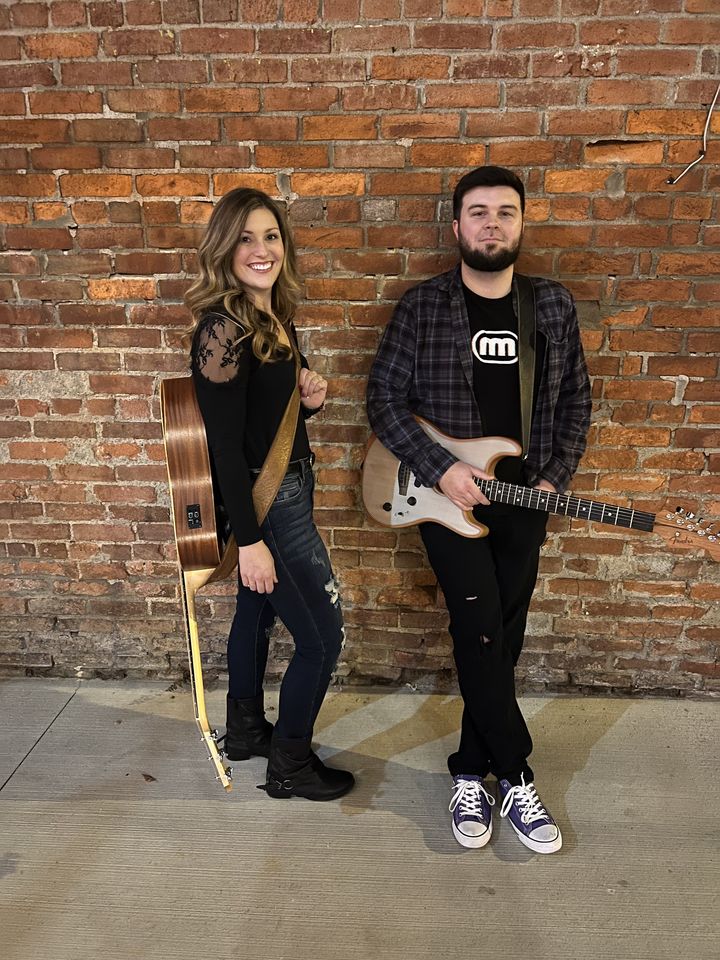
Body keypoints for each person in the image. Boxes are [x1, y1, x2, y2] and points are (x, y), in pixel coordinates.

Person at [366, 166, 591, 853]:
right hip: (445, 501)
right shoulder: (423, 305)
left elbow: (578, 399)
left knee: (504, 634)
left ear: (521, 224)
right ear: (456, 226)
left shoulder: (550, 305)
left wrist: (555, 477)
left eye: (505, 212)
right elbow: (382, 402)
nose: (491, 223)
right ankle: (514, 774)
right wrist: (443, 469)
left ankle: (471, 768)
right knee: (478, 626)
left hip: (525, 499)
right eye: (478, 212)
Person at [186, 187, 354, 801]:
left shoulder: (271, 317)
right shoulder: (222, 333)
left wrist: (310, 400)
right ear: (224, 248)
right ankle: (290, 765)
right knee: (322, 635)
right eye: (247, 238)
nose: (262, 250)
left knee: (256, 615)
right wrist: (251, 541)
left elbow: (268, 423)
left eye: (272, 236)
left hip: (289, 491)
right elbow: (225, 450)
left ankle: (248, 731)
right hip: (270, 506)